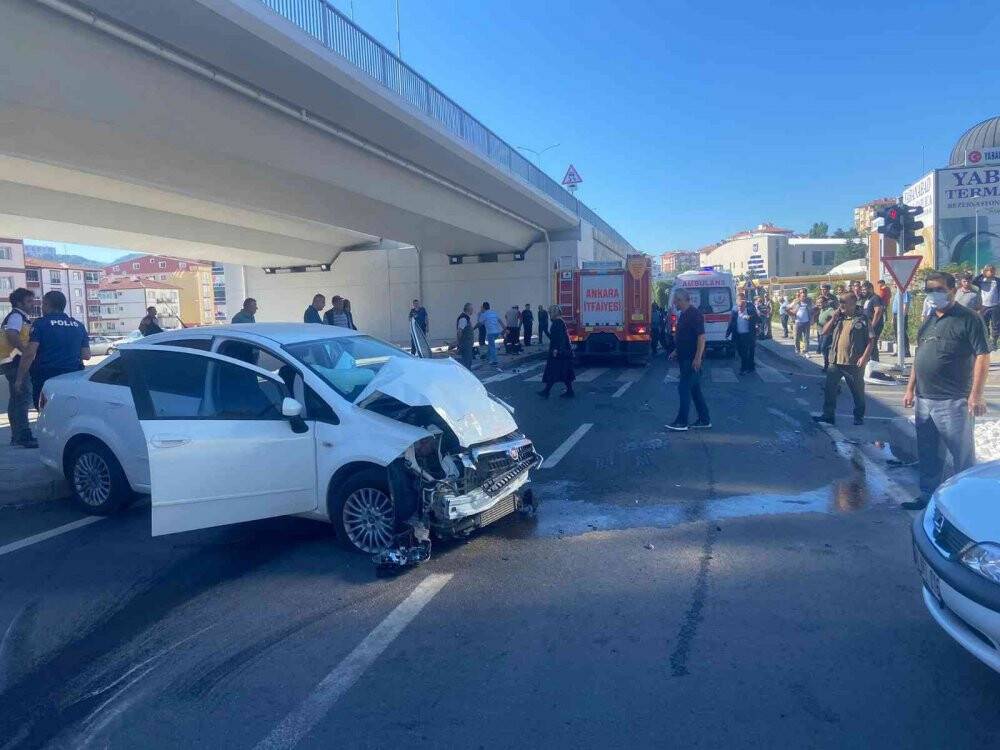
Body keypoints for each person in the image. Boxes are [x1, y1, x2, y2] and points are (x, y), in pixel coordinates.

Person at [901, 271, 991, 510]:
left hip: (953, 401)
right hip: (924, 400)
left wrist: (977, 394)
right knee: (929, 453)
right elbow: (919, 357)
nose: (934, 294)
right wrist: (910, 389)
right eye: (930, 290)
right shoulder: (929, 321)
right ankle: (928, 496)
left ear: (953, 290)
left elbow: (983, 355)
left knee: (962, 456)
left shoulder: (969, 319)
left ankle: (967, 502)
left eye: (939, 289)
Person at [15, 291, 90, 410]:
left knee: (46, 412)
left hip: (46, 377)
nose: (41, 308)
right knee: (68, 411)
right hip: (73, 376)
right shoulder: (79, 325)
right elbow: (86, 355)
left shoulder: (40, 324)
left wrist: (19, 379)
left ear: (47, 304)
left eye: (43, 305)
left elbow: (30, 353)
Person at [813, 292, 873, 426]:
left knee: (857, 392)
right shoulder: (839, 318)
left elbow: (871, 340)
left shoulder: (862, 319)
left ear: (853, 303)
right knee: (829, 390)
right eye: (840, 302)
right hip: (835, 361)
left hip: (853, 363)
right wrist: (834, 317)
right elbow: (824, 332)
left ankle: (858, 416)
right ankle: (828, 415)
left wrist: (864, 357)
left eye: (843, 302)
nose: (841, 305)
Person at [665, 288, 710, 431]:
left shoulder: (694, 314)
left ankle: (681, 422)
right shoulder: (684, 314)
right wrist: (676, 351)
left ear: (681, 300)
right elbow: (686, 337)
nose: (674, 304)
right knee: (695, 390)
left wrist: (697, 358)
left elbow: (701, 337)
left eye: (675, 301)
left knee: (683, 388)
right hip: (684, 357)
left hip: (691, 360)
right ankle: (704, 420)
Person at [2, 288, 36, 447]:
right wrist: (25, 351)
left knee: (16, 400)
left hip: (10, 362)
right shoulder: (16, 316)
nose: (32, 304)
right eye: (29, 301)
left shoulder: (17, 317)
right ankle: (23, 436)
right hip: (16, 362)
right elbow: (11, 334)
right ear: (19, 303)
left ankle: (16, 437)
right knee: (22, 399)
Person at [539, 305, 575, 398]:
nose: (549, 314)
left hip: (559, 351)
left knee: (554, 370)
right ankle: (567, 391)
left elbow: (560, 338)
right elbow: (554, 337)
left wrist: (556, 349)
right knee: (562, 370)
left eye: (550, 312)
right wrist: (546, 332)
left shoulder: (557, 322)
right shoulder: (559, 322)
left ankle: (547, 391)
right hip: (562, 350)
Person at [726, 293, 759, 374]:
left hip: (747, 335)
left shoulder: (750, 309)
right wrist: (728, 332)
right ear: (737, 301)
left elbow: (757, 318)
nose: (739, 307)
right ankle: (749, 365)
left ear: (745, 303)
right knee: (740, 351)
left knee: (747, 352)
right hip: (738, 335)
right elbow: (731, 322)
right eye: (739, 301)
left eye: (742, 300)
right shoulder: (734, 310)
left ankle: (744, 368)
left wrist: (748, 317)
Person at [973, 264, 999, 350]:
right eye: (989, 271)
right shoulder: (980, 280)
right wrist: (982, 274)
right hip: (983, 306)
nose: (991, 272)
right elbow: (973, 281)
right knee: (984, 325)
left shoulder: (997, 281)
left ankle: (994, 342)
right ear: (985, 271)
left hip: (995, 306)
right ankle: (987, 342)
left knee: (996, 325)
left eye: (992, 271)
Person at [860, 281, 886, 362]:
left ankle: (875, 367)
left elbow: (878, 311)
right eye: (862, 290)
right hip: (867, 325)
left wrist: (872, 326)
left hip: (874, 326)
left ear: (871, 289)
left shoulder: (875, 298)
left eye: (865, 289)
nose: (863, 291)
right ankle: (870, 365)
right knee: (868, 345)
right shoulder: (868, 299)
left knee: (873, 346)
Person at [477, 302, 504, 367]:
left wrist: (473, 329)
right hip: (496, 332)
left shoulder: (484, 314)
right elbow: (500, 321)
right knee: (490, 345)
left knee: (492, 347)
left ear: (483, 307)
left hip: (490, 333)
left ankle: (494, 361)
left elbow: (479, 323)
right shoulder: (494, 313)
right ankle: (487, 356)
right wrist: (505, 328)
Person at [816, 297, 837, 372]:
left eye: (820, 302)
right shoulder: (822, 309)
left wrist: (832, 321)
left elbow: (835, 314)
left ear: (825, 302)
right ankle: (827, 365)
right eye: (818, 302)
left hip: (828, 333)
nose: (819, 304)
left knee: (824, 348)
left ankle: (828, 365)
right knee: (823, 349)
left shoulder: (829, 310)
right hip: (821, 332)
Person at [788, 289, 812, 354]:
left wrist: (812, 319)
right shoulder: (796, 301)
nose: (803, 294)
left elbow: (814, 308)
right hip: (797, 322)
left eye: (804, 293)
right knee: (797, 337)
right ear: (799, 294)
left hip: (806, 322)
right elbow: (788, 307)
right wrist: (792, 313)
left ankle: (806, 350)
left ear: (806, 294)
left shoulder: (809, 301)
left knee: (806, 337)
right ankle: (797, 349)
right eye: (801, 293)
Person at [892, 288, 911, 358]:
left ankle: (906, 351)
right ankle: (899, 351)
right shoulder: (897, 292)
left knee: (903, 333)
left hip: (901, 316)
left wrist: (903, 316)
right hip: (896, 315)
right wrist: (893, 317)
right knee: (897, 334)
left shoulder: (904, 292)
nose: (894, 284)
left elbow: (905, 304)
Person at [456, 302, 475, 370]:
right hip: (465, 344)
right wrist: (459, 343)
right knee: (466, 362)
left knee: (468, 361)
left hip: (467, 344)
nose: (473, 310)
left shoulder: (466, 318)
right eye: (472, 309)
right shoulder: (463, 319)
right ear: (468, 309)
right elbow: (459, 331)